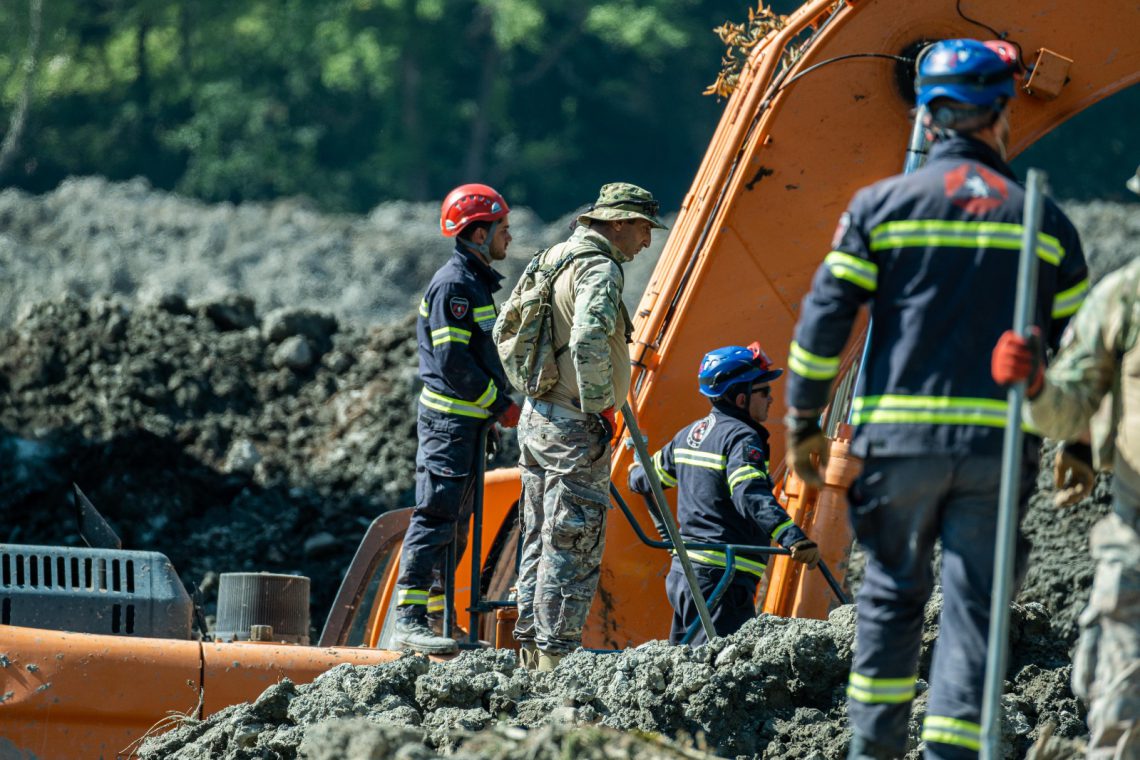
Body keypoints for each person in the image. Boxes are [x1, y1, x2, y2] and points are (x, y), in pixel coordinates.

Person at [783, 39, 1089, 759]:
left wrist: (801, 418)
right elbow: (1078, 349)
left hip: (899, 448)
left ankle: (873, 749)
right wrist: (1077, 438)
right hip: (994, 450)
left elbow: (824, 319)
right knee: (975, 610)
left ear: (926, 116)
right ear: (1002, 115)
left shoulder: (883, 206)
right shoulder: (1042, 220)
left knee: (891, 598)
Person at [512, 183, 665, 671]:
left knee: (539, 536)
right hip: (574, 426)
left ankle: (531, 656)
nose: (646, 241)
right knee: (573, 543)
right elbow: (589, 337)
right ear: (617, 223)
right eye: (642, 228)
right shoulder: (599, 268)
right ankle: (555, 663)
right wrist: (601, 406)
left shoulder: (552, 258)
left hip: (538, 416)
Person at [992, 249, 1140, 755]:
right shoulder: (1127, 297)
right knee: (1121, 707)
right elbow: (1069, 408)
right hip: (1136, 536)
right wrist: (1036, 386)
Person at [393, 183, 521, 654]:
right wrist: (499, 404)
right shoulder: (455, 285)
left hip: (466, 425)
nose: (509, 236)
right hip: (449, 424)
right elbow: (452, 362)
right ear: (479, 233)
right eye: (503, 228)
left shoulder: (474, 281)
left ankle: (438, 618)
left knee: (456, 526)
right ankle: (409, 620)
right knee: (435, 516)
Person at [627, 343, 820, 646]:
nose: (771, 399)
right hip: (723, 581)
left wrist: (634, 470)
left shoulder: (689, 434)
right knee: (715, 667)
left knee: (687, 664)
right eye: (764, 391)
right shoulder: (742, 438)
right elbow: (749, 493)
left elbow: (645, 480)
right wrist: (793, 538)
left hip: (685, 576)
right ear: (741, 397)